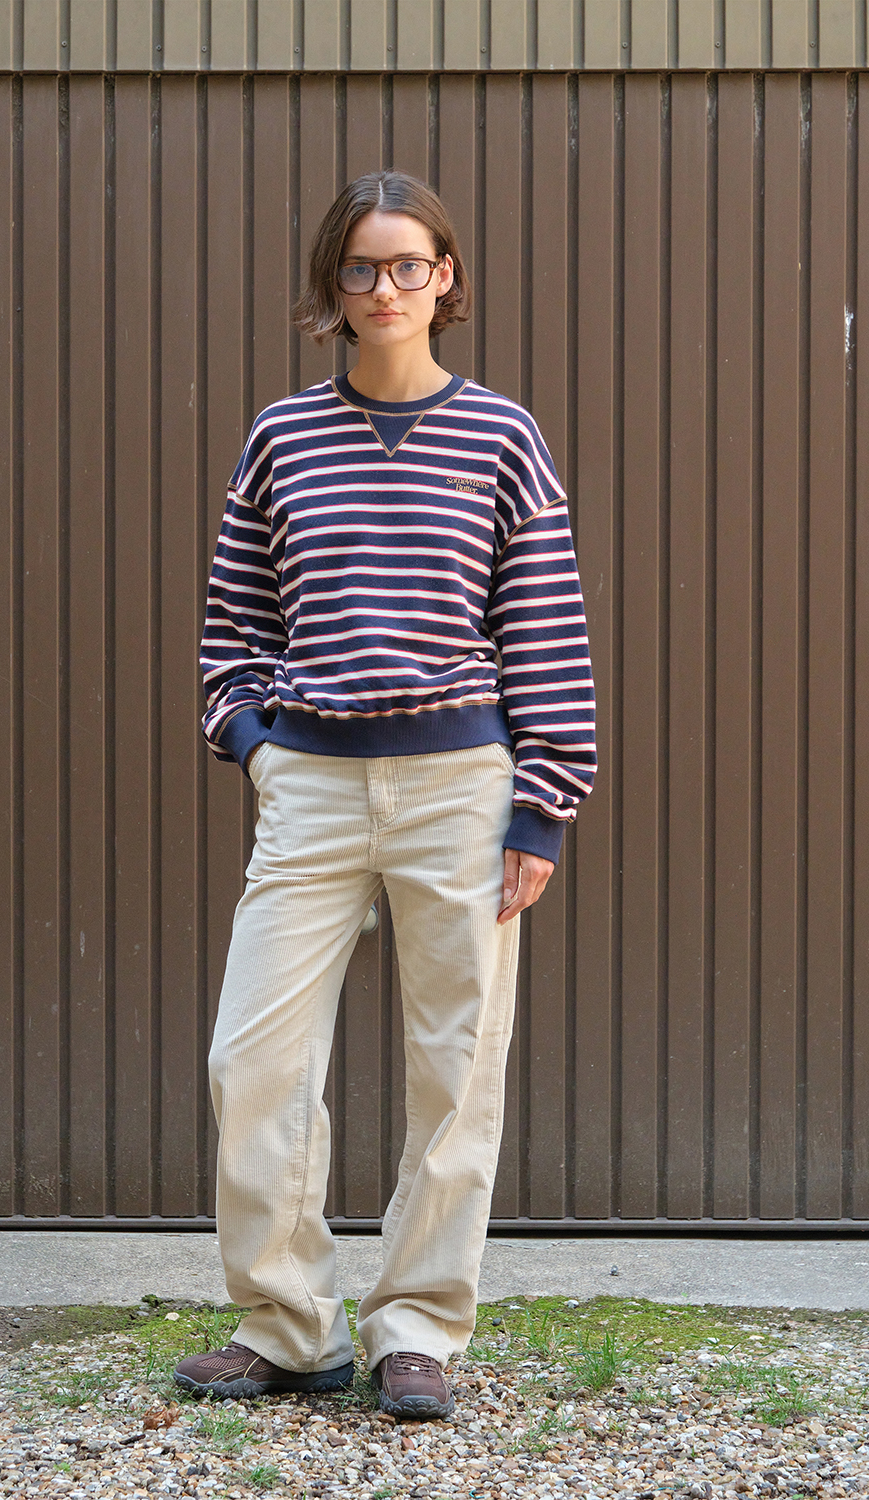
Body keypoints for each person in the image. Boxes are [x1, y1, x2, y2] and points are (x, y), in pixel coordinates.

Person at [175, 171, 596, 1421]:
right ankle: (289, 1323)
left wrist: (542, 805)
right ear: (335, 284)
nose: (384, 288)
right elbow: (235, 621)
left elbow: (544, 629)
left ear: (445, 278)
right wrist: (255, 743)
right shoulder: (281, 437)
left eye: (409, 264)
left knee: (456, 1066)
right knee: (251, 1058)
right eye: (361, 267)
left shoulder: (502, 436)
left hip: (461, 787)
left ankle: (415, 1325)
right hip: (309, 785)